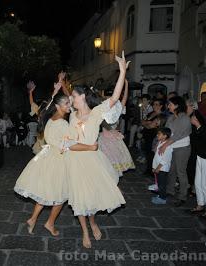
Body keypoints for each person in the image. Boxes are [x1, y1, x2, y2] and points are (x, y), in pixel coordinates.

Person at [14, 82, 98, 236]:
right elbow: (70, 145)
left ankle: (33, 219)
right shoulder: (62, 123)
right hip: (59, 160)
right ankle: (49, 223)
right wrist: (90, 147)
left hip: (48, 158)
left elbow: (51, 105)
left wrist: (57, 91)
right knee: (60, 196)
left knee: (46, 192)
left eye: (70, 102)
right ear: (58, 106)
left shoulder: (50, 117)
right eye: (66, 103)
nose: (70, 105)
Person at [67, 51, 128, 248]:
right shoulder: (72, 116)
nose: (71, 100)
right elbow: (70, 140)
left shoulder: (96, 113)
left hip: (92, 160)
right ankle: (85, 231)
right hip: (75, 160)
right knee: (79, 198)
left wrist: (122, 71)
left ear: (82, 96)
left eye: (73, 97)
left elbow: (115, 96)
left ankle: (93, 222)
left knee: (90, 196)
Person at [98, 80, 135, 179]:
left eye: (110, 97)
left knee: (114, 163)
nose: (108, 99)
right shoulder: (102, 109)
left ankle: (113, 184)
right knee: (105, 163)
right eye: (107, 97)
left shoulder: (118, 109)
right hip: (104, 139)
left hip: (114, 139)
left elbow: (124, 99)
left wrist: (126, 85)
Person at [159, 96, 192, 207]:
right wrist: (161, 143)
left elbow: (178, 135)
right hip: (171, 147)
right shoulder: (171, 117)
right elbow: (167, 132)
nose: (168, 106)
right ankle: (170, 191)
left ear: (177, 105)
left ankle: (182, 196)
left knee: (180, 171)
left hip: (182, 148)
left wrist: (165, 146)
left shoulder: (184, 118)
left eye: (170, 104)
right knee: (171, 170)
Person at [150, 127, 173, 205]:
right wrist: (154, 167)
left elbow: (165, 159)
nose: (157, 135)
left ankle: (163, 198)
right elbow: (157, 157)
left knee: (162, 184)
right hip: (158, 168)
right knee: (159, 183)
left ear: (165, 136)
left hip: (162, 169)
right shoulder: (160, 143)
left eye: (159, 134)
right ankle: (159, 196)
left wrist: (158, 168)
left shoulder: (168, 147)